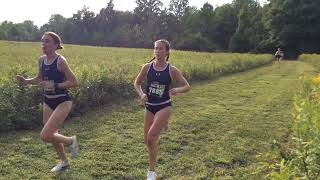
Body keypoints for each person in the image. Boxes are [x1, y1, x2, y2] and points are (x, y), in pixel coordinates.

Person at [16, 32, 79, 172]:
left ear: (56, 45)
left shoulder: (60, 61)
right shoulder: (41, 60)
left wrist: (55, 85)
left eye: (48, 41)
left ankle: (71, 141)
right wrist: (26, 81)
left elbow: (74, 82)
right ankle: (64, 161)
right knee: (52, 134)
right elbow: (39, 79)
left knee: (45, 135)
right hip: (48, 101)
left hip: (63, 100)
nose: (44, 44)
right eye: (42, 41)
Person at [134, 39, 191, 179]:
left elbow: (187, 86)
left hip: (164, 105)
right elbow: (137, 83)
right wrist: (141, 94)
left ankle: (151, 172)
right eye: (156, 48)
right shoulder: (147, 68)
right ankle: (163, 123)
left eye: (161, 49)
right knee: (147, 141)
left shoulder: (172, 70)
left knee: (151, 136)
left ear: (167, 52)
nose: (158, 51)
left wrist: (177, 89)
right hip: (149, 107)